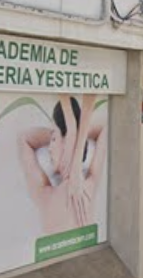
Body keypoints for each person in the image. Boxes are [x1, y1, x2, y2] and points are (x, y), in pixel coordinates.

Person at [19, 95, 105, 235]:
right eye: (51, 139)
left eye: (53, 139)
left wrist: (70, 137)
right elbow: (103, 127)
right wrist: (72, 136)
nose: (49, 148)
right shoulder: (90, 186)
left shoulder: (44, 196)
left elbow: (24, 138)